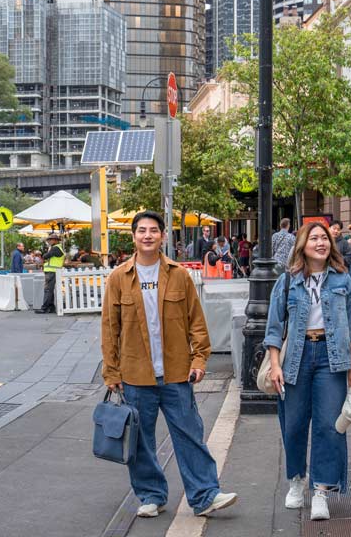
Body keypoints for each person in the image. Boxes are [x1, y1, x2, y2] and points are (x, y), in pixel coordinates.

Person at [101, 211, 238, 519]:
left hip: (177, 373)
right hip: (135, 375)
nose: (147, 235)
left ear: (163, 236)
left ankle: (205, 496)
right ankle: (151, 495)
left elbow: (196, 322)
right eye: (142, 231)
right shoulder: (119, 278)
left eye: (153, 231)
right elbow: (110, 329)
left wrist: (200, 359)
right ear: (134, 236)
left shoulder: (178, 275)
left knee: (190, 435)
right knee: (140, 441)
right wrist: (111, 371)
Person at [263, 221, 351, 521]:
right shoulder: (289, 280)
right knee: (293, 424)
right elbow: (274, 327)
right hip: (296, 356)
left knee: (328, 426)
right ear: (302, 245)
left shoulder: (344, 280)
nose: (321, 243)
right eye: (314, 238)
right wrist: (275, 365)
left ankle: (321, 490)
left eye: (325, 238)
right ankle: (296, 480)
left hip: (332, 359)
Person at [35, 233, 65, 314]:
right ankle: (51, 307)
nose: (48, 241)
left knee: (48, 290)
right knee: (50, 290)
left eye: (50, 240)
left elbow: (45, 256)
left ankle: (44, 308)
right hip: (53, 271)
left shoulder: (55, 248)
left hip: (52, 271)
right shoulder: (56, 248)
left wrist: (45, 255)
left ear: (55, 240)